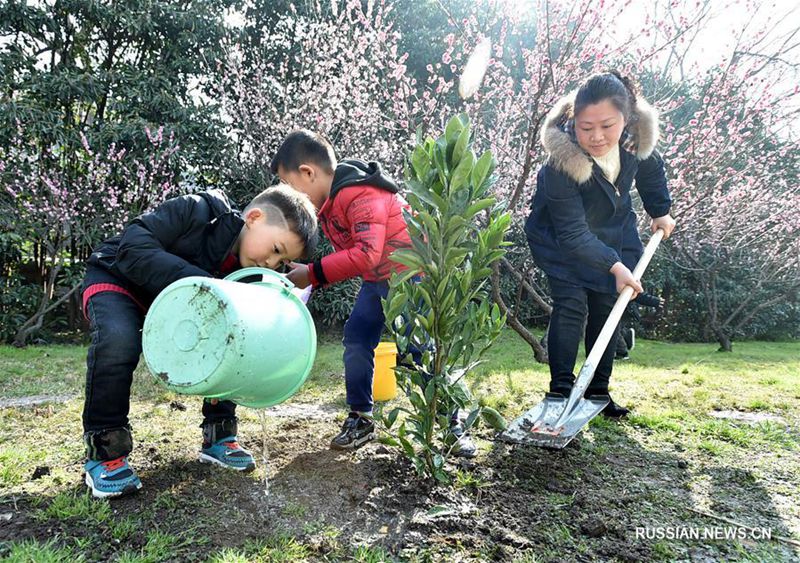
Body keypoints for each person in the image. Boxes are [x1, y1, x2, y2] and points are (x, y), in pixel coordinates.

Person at [81, 185, 318, 498]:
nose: (272, 263)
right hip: (120, 279)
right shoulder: (199, 210)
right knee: (119, 339)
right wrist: (202, 282)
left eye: (282, 261)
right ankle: (106, 451)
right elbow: (133, 247)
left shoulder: (248, 272)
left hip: (176, 302)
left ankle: (219, 436)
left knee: (238, 336)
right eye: (275, 249)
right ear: (254, 218)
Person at [272, 130, 477, 456]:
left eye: (290, 186)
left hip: (410, 278)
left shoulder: (361, 195)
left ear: (308, 173)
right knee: (357, 336)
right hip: (378, 281)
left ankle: (454, 423)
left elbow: (366, 253)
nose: (291, 197)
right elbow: (363, 259)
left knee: (416, 350)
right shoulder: (333, 205)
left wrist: (313, 273)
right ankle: (361, 418)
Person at [525, 71, 676, 418]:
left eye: (607, 126)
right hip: (560, 240)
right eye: (585, 127)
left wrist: (660, 211)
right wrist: (615, 266)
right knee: (572, 304)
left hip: (613, 233)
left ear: (627, 119)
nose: (596, 137)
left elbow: (652, 174)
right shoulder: (560, 166)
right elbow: (573, 235)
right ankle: (561, 391)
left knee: (609, 307)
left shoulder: (636, 143)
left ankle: (597, 392)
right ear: (572, 122)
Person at [614, 291, 664, 360]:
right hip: (615, 307)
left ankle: (622, 353)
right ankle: (627, 335)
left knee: (613, 329)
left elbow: (637, 293)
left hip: (625, 309)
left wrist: (654, 301)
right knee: (616, 329)